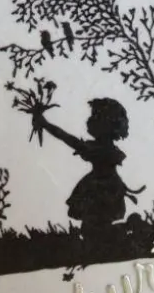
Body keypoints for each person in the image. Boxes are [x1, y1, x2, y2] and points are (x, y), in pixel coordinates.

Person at [32, 97, 144, 245]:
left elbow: (69, 139)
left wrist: (45, 124)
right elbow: (70, 139)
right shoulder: (104, 148)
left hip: (102, 188)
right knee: (92, 227)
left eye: (95, 117)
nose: (89, 121)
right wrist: (45, 124)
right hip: (103, 185)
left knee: (94, 228)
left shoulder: (100, 149)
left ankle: (127, 229)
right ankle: (124, 230)